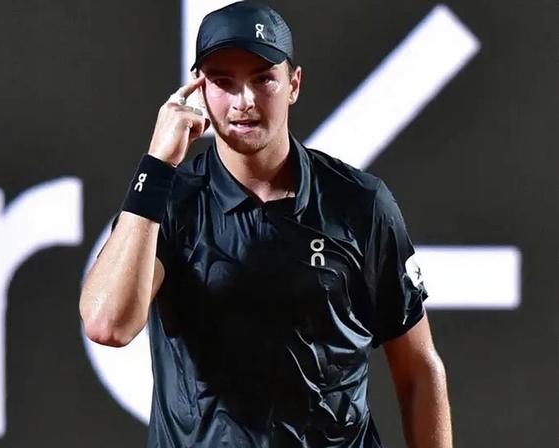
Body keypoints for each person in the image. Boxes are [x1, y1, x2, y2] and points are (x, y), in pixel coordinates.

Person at [79, 2, 451, 447]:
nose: (245, 101)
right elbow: (108, 324)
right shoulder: (171, 203)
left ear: (293, 84)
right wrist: (157, 165)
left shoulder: (359, 203)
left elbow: (418, 369)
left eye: (262, 79)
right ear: (199, 92)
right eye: (223, 82)